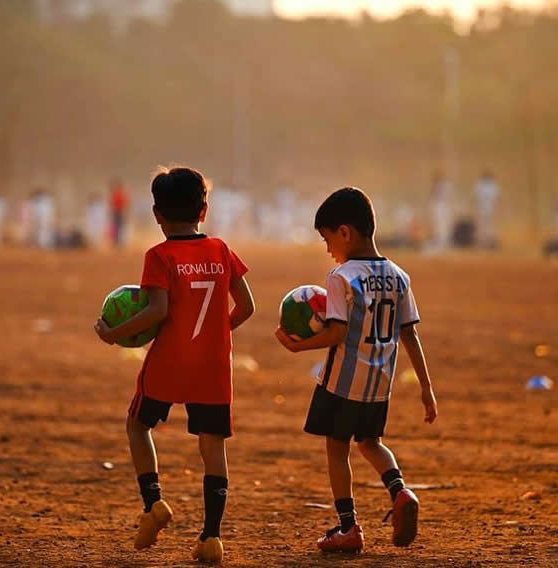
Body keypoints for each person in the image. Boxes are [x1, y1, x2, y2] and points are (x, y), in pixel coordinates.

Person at [94, 167, 255, 564]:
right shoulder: (221, 250)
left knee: (138, 425)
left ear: (156, 214)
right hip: (212, 365)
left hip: (170, 360)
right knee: (212, 446)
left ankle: (154, 504)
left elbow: (156, 311)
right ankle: (212, 538)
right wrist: (219, 333)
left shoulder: (160, 255)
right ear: (204, 209)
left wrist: (114, 334)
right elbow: (248, 307)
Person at [275, 187, 438, 553]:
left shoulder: (341, 276)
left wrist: (298, 345)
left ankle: (348, 528)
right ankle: (401, 491)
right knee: (371, 443)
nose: (328, 248)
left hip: (341, 383)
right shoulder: (399, 276)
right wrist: (426, 388)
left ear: (345, 232)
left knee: (337, 449)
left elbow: (336, 331)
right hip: (379, 386)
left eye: (327, 238)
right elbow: (409, 335)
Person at [475, 169, 500, 248]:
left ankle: (491, 242)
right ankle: (482, 243)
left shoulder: (494, 185)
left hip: (491, 208)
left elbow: (497, 197)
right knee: (482, 226)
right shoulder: (479, 184)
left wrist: (497, 208)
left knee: (491, 226)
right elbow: (476, 197)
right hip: (482, 208)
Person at [109, 178, 129, 247]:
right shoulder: (116, 194)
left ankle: (119, 241)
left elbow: (124, 204)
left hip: (119, 212)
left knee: (120, 227)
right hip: (117, 212)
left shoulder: (120, 194)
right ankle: (116, 241)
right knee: (117, 227)